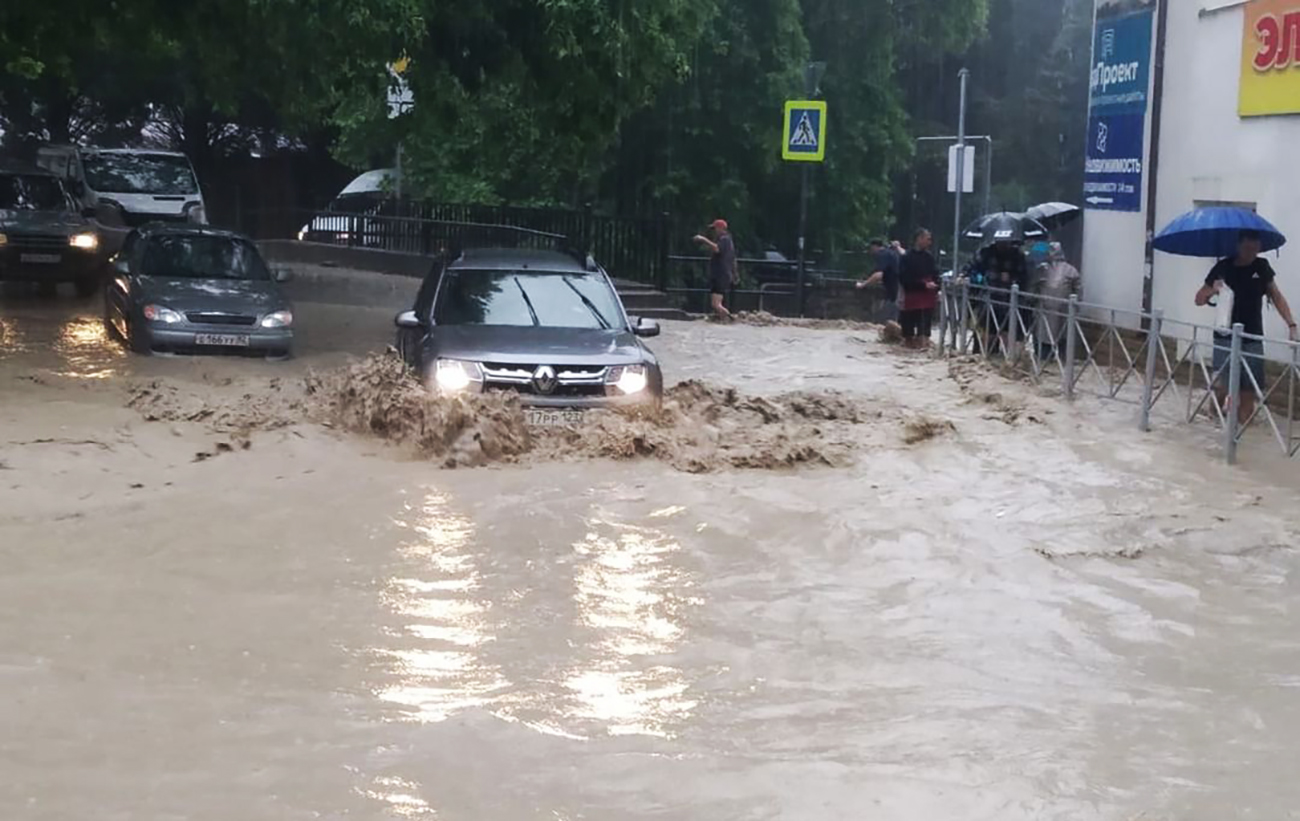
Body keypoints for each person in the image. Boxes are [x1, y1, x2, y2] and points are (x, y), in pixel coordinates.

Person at [1194, 230, 1298, 424]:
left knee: (1249, 388)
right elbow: (1198, 299)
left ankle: (1241, 434)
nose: (1251, 252)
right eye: (1248, 247)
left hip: (1252, 337)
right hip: (1225, 336)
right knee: (1221, 385)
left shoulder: (1262, 267)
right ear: (1239, 246)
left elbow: (1276, 296)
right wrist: (1213, 289)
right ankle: (1213, 418)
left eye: (1255, 248)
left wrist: (1291, 324)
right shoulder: (1223, 267)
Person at [1034, 242, 1081, 358]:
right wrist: (1076, 304)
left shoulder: (1042, 269)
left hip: (1048, 308)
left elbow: (1033, 287)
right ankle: (1061, 359)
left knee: (1047, 335)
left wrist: (1032, 299)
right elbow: (1078, 290)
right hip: (1061, 309)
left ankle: (1046, 357)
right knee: (1061, 335)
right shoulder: (1071, 270)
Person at [898, 228, 940, 348]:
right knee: (908, 329)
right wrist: (922, 284)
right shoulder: (906, 257)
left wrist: (936, 287)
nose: (929, 242)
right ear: (919, 239)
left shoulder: (929, 257)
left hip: (927, 297)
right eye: (927, 239)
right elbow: (904, 277)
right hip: (911, 295)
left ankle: (922, 345)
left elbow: (935, 274)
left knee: (924, 328)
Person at [855, 238, 902, 333]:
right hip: (898, 289)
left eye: (870, 248)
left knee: (884, 321)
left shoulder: (882, 255)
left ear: (875, 247)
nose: (870, 251)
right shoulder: (890, 253)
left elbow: (879, 275)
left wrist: (862, 285)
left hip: (895, 291)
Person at [694, 219, 738, 321]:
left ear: (721, 228)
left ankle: (730, 318)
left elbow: (717, 249)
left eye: (715, 228)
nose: (714, 231)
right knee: (715, 304)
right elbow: (733, 259)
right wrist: (735, 273)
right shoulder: (726, 240)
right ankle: (724, 319)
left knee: (716, 304)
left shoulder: (725, 240)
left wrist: (703, 239)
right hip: (720, 274)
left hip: (721, 275)